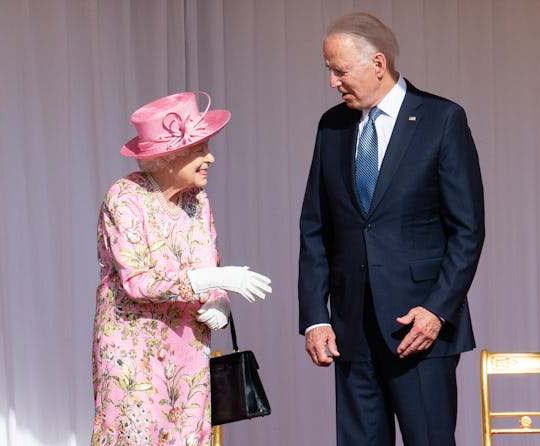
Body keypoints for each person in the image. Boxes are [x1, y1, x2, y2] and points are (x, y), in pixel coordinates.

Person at [298, 12, 485, 446]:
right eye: (329, 69)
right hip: (350, 332)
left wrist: (437, 310)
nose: (332, 81)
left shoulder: (442, 119)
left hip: (419, 328)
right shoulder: (332, 127)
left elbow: (467, 230)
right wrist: (314, 318)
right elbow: (315, 229)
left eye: (339, 70)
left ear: (377, 64)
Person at [92, 91, 272, 446]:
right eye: (200, 149)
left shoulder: (197, 200)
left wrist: (220, 299)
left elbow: (208, 262)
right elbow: (138, 281)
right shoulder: (125, 196)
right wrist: (217, 279)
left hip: (188, 350)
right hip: (133, 354)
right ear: (167, 157)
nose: (211, 158)